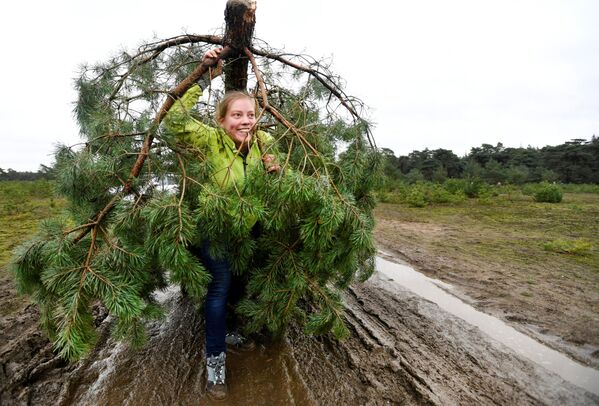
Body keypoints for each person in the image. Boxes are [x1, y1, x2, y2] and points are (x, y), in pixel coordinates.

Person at [163, 47, 280, 401]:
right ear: (221, 120)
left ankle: (229, 328)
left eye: (251, 115)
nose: (245, 121)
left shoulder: (264, 142)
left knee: (238, 283)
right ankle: (215, 362)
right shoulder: (210, 141)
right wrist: (203, 75)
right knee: (219, 287)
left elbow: (279, 183)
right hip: (213, 231)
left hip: (248, 232)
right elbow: (174, 120)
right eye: (237, 115)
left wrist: (278, 171)